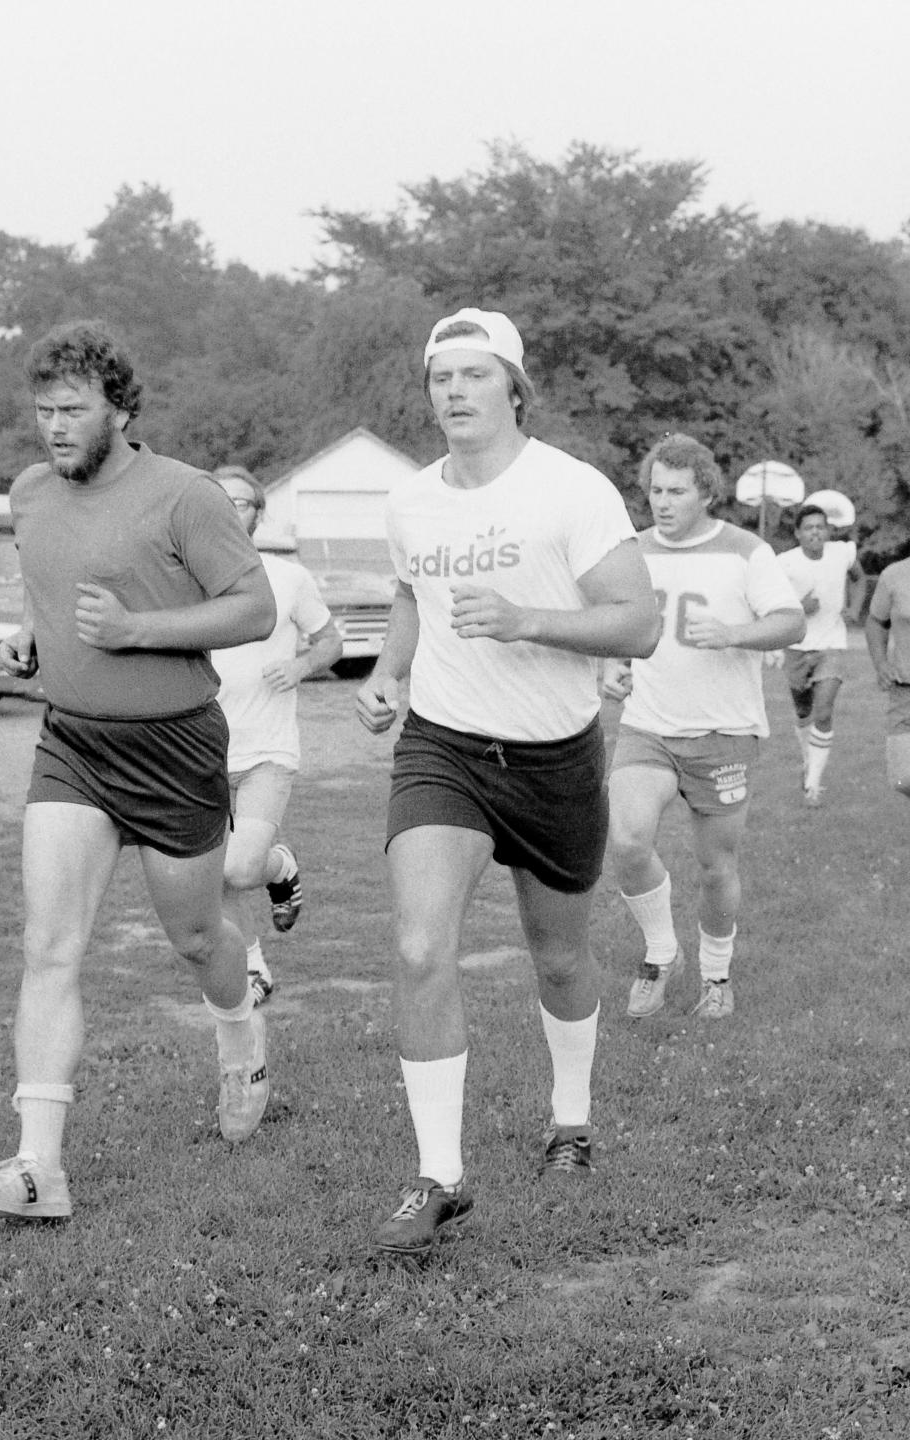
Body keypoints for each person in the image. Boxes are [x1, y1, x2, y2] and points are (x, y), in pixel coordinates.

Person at [0, 322, 277, 1223]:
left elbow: (254, 609)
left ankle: (238, 1030)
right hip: (73, 745)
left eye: (74, 410)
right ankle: (36, 1168)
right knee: (48, 946)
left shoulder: (186, 497)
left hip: (174, 749)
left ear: (120, 409)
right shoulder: (29, 493)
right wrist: (34, 628)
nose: (55, 427)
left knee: (198, 937)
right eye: (44, 411)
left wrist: (137, 630)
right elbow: (46, 575)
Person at [355, 306, 659, 1258]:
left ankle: (570, 1121)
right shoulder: (411, 503)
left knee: (560, 957)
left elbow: (638, 624)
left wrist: (528, 620)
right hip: (444, 749)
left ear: (514, 388)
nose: (454, 392)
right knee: (416, 945)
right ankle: (438, 1176)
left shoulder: (572, 491)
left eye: (474, 375)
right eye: (442, 377)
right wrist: (389, 674)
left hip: (554, 756)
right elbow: (413, 592)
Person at [604, 434, 804, 1025]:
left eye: (676, 492)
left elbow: (790, 621)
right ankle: (661, 954)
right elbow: (610, 622)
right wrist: (610, 664)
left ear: (707, 493)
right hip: (648, 727)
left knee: (716, 866)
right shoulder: (631, 551)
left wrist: (736, 635)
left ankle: (716, 976)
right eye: (654, 491)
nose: (661, 502)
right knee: (629, 840)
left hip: (724, 733)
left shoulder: (746, 552)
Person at [212, 464, 343, 1002]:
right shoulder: (180, 579)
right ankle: (252, 967)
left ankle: (279, 866)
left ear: (258, 514)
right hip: (200, 749)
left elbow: (330, 642)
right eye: (218, 500)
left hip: (266, 749)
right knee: (210, 874)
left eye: (241, 502)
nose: (229, 509)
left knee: (241, 867)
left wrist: (300, 667)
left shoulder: (288, 577)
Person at [776, 503, 866, 807]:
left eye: (820, 526)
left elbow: (859, 578)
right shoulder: (784, 563)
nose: (816, 532)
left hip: (832, 644)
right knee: (803, 713)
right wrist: (800, 608)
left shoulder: (841, 553)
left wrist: (854, 608)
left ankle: (813, 785)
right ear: (798, 533)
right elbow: (770, 603)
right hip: (796, 647)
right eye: (809, 528)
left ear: (828, 530)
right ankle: (808, 763)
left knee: (824, 711)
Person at [865, 555, 910, 799]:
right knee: (902, 778)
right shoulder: (894, 574)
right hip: (905, 690)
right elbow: (875, 622)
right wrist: (881, 663)